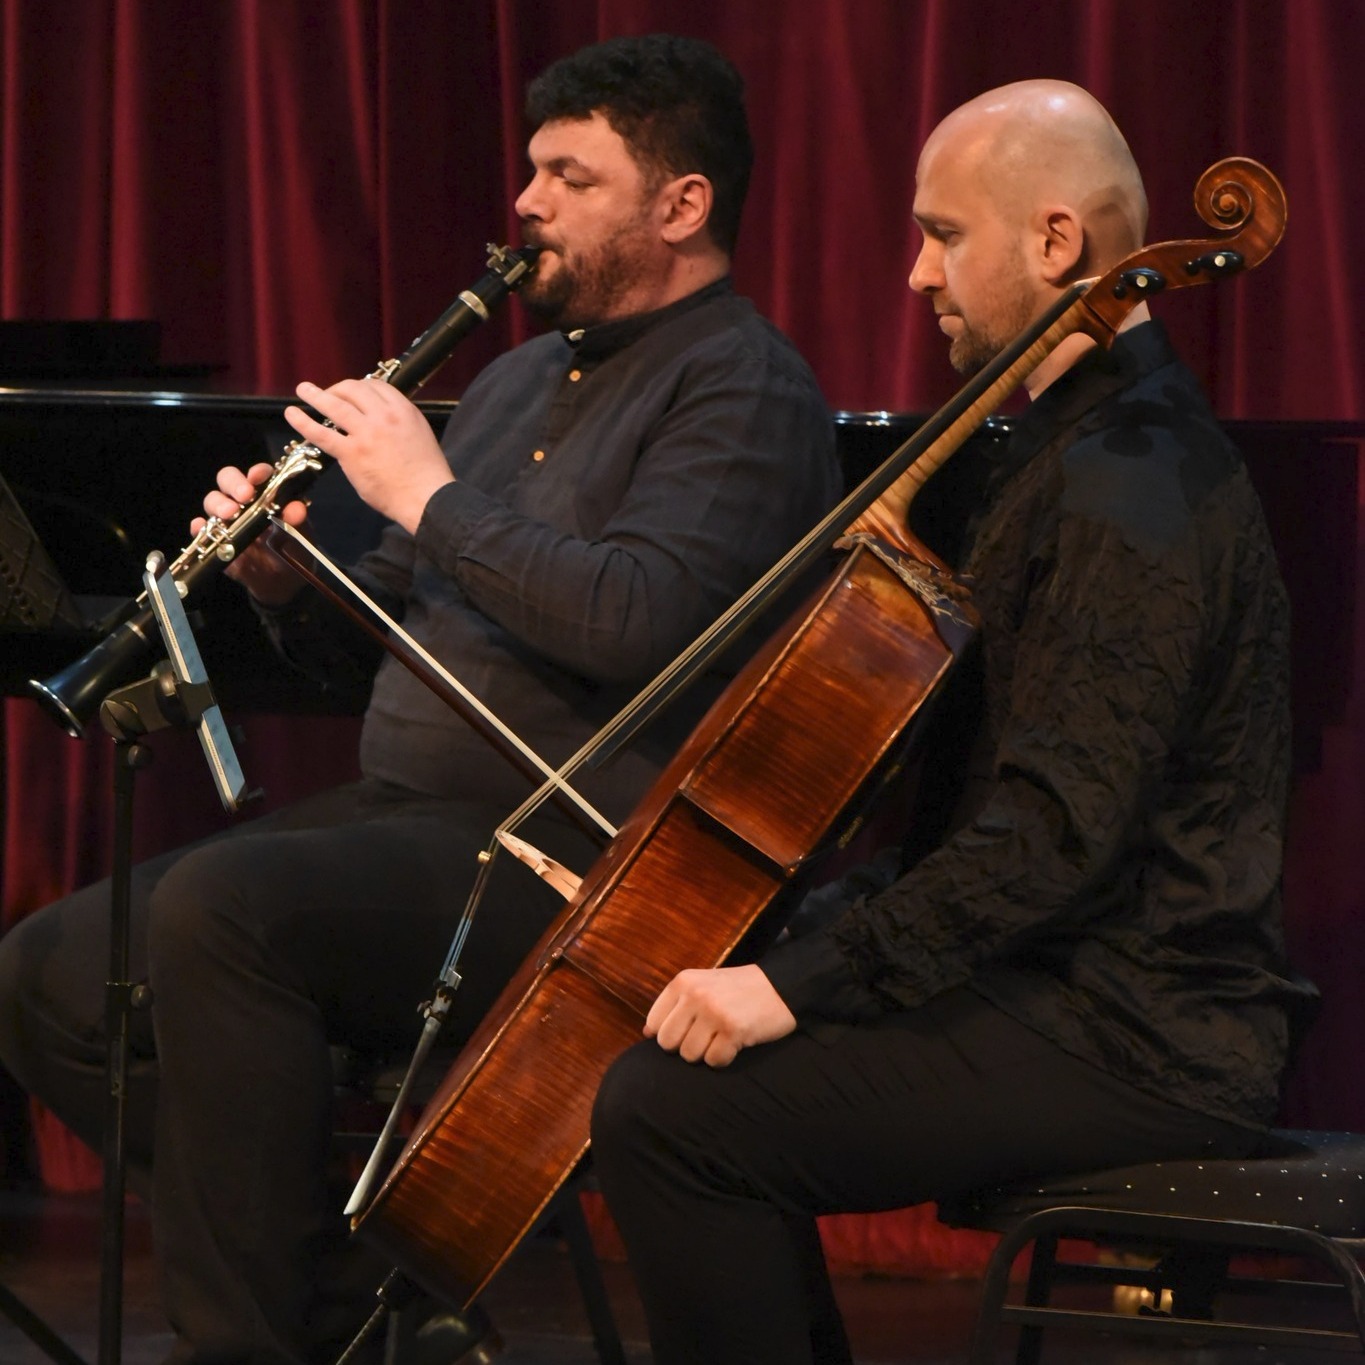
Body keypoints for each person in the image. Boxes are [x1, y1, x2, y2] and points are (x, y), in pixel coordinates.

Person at [0, 33, 840, 1365]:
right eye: (531, 171)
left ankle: (261, 1336)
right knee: (46, 973)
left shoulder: (743, 385)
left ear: (680, 205)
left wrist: (429, 497)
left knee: (224, 913)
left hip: (576, 860)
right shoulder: (513, 380)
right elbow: (384, 644)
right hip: (405, 816)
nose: (527, 203)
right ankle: (350, 1301)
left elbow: (640, 619)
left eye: (570, 177)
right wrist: (286, 576)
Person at [589, 78, 1318, 1365]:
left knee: (670, 1118)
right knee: (673, 1075)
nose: (918, 274)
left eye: (944, 235)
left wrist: (795, 986)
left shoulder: (1135, 486)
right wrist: (797, 937)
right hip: (1056, 985)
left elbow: (1048, 839)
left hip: (1135, 1028)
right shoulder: (1067, 452)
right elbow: (979, 815)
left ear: (1057, 242)